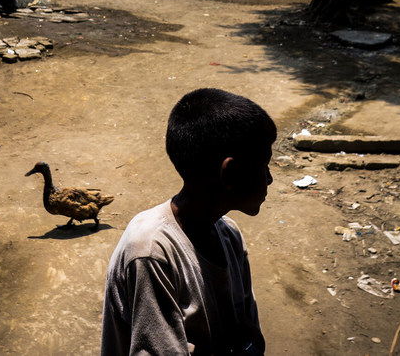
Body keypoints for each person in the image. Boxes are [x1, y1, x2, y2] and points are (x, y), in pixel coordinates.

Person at [101, 88, 275, 355]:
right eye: (264, 166)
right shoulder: (150, 253)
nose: (270, 178)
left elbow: (252, 337)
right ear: (229, 174)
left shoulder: (229, 235)